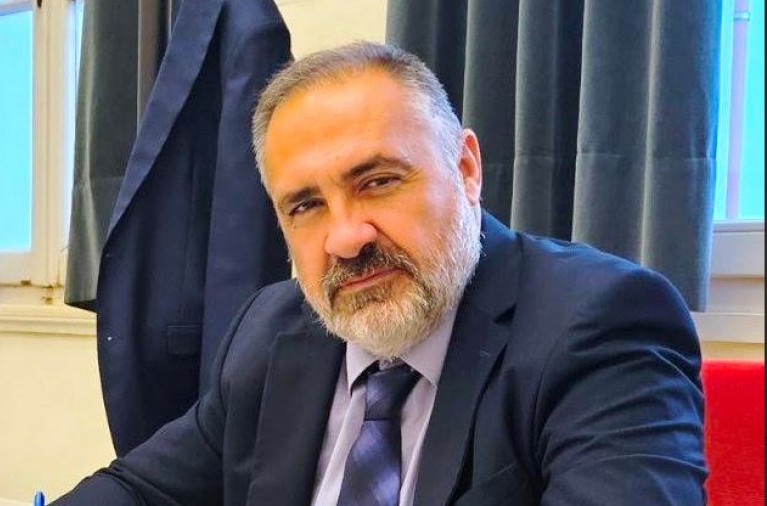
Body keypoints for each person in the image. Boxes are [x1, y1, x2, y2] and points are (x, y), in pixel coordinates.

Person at [51, 42, 706, 506]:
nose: (346, 238)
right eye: (305, 206)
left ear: (466, 169)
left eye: (379, 181)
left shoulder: (599, 323)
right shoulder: (269, 330)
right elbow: (140, 490)